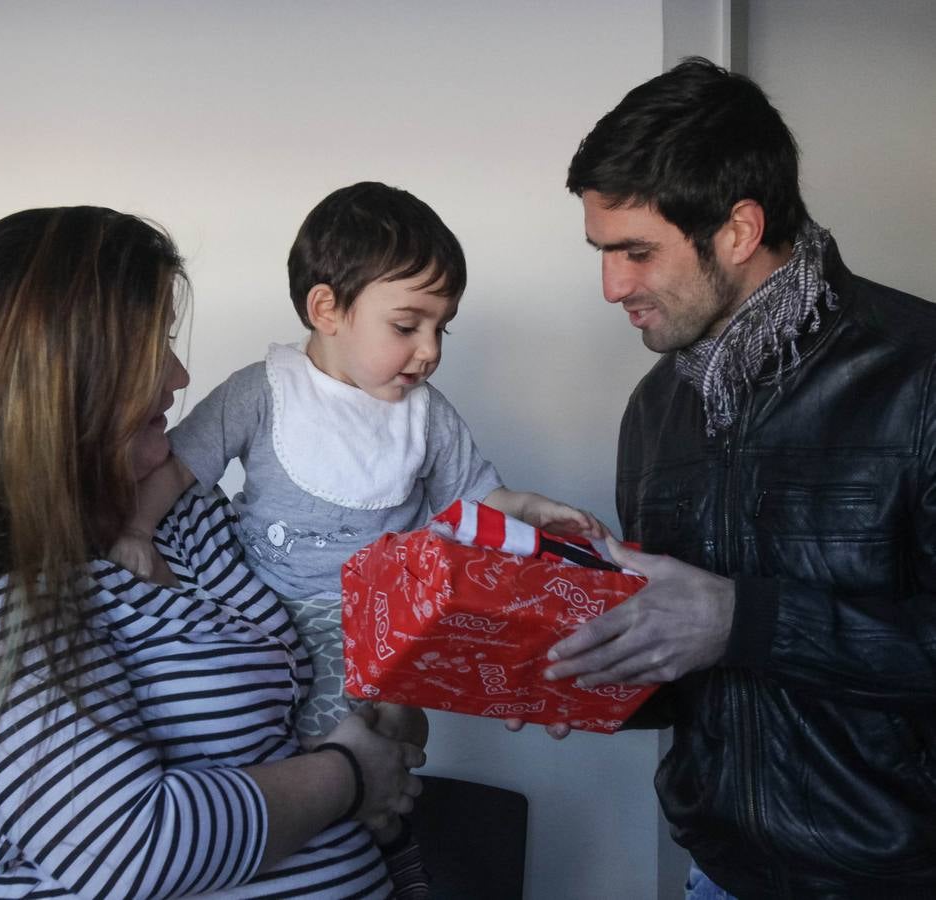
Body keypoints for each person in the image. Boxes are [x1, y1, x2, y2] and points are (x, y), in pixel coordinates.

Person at [543, 58, 936, 898]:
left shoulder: (921, 372)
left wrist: (743, 618)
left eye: (635, 251)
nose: (611, 285)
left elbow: (734, 630)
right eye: (601, 251)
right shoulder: (654, 411)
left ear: (738, 230)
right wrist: (572, 673)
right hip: (717, 877)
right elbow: (689, 681)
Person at [0, 206, 426, 899]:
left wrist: (388, 716)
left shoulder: (180, 512)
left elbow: (297, 691)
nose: (179, 376)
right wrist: (349, 778)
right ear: (68, 373)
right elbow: (129, 849)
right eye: (153, 345)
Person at [108, 181, 605, 755]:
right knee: (303, 738)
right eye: (406, 326)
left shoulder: (425, 414)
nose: (430, 350)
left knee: (393, 733)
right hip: (272, 614)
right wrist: (137, 530)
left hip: (388, 618)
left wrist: (526, 507)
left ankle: (375, 809)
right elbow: (175, 469)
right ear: (327, 310)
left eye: (441, 328)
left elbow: (472, 498)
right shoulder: (263, 392)